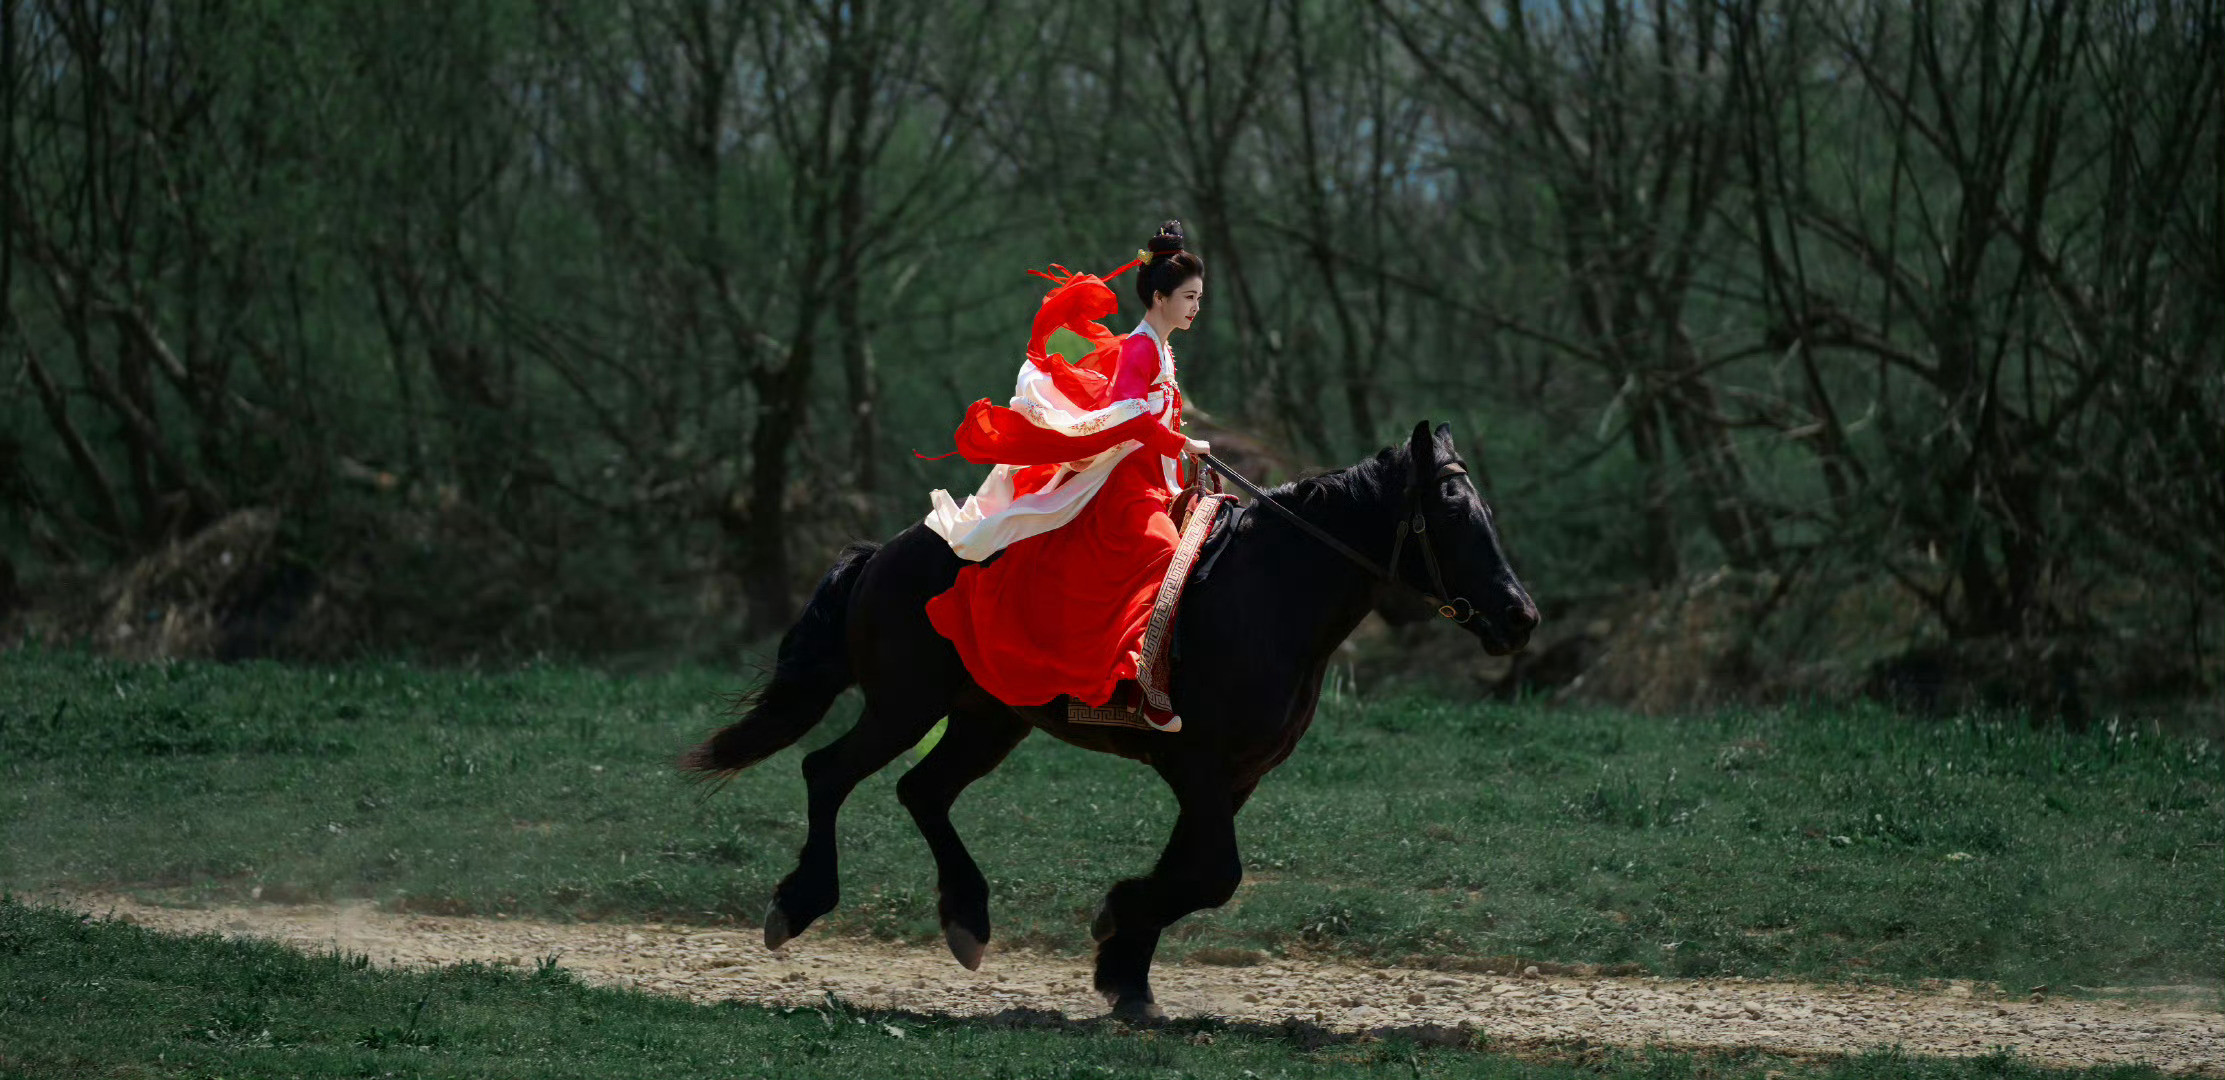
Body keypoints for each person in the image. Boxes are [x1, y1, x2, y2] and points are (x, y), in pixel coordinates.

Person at [921, 221, 1208, 731]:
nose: (1195, 307)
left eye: (1199, 298)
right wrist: (1179, 443)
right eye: (1188, 297)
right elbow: (1128, 415)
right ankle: (1140, 685)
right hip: (1126, 484)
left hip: (1156, 479)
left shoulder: (1160, 347)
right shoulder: (1140, 348)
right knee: (1162, 551)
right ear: (1159, 297)